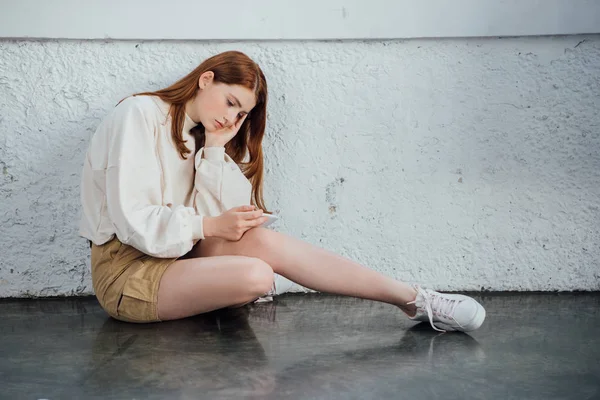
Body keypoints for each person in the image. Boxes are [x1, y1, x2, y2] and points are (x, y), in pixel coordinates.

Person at [79, 50, 486, 333]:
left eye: (241, 114)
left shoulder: (205, 137)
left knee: (260, 242)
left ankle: (414, 300)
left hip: (176, 258)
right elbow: (134, 222)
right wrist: (210, 224)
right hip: (126, 273)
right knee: (256, 275)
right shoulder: (139, 113)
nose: (230, 117)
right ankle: (221, 290)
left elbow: (217, 226)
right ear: (206, 80)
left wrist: (217, 151)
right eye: (230, 101)